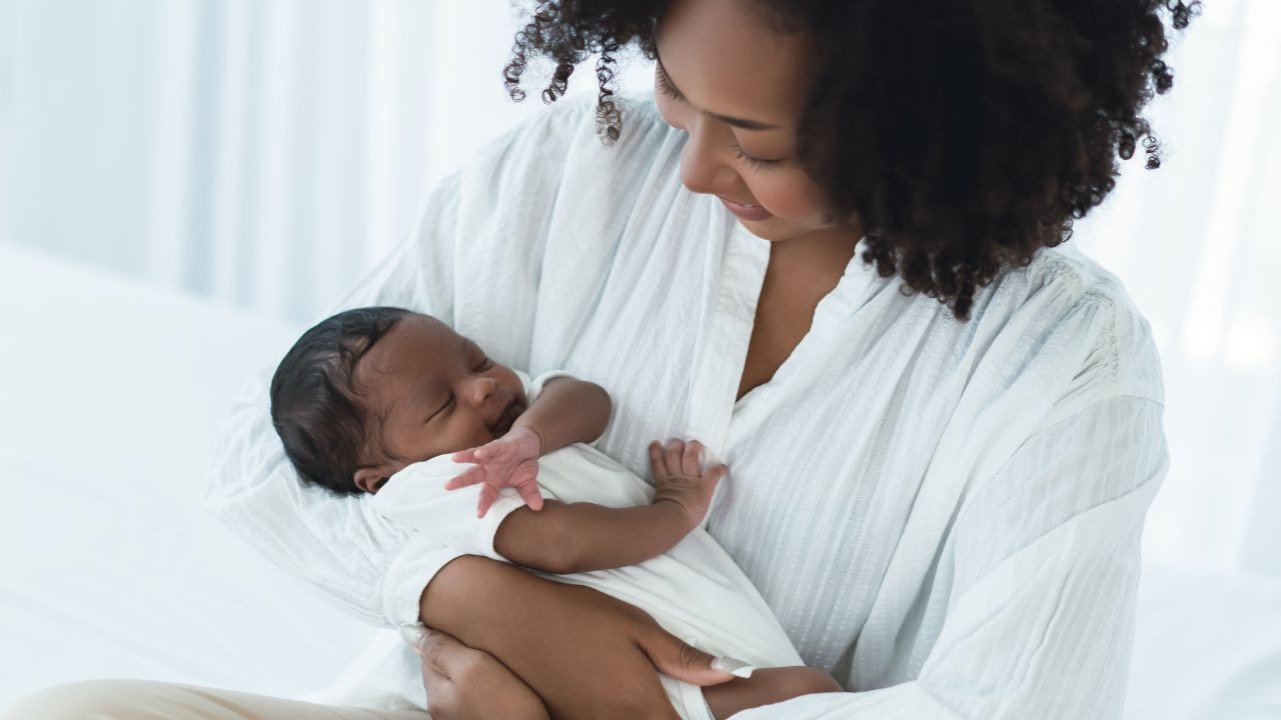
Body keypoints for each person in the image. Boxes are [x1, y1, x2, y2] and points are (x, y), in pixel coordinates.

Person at [4, 0, 1197, 717]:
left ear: (922, 124)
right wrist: (485, 602)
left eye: (756, 141)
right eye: (678, 90)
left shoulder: (1065, 368)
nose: (691, 170)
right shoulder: (586, 162)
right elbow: (268, 471)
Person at [267, 305, 841, 718]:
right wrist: (674, 509)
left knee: (813, 694)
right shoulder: (428, 484)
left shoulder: (515, 426)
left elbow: (586, 397)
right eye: (444, 403)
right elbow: (560, 545)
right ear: (380, 476)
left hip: (662, 649)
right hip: (648, 678)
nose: (482, 388)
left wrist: (533, 435)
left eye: (477, 360)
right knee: (806, 695)